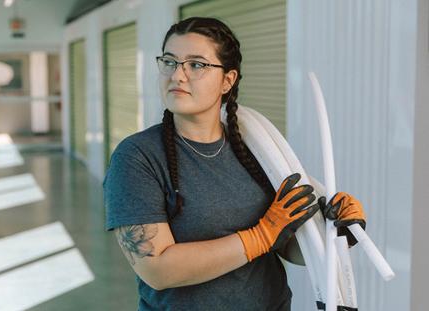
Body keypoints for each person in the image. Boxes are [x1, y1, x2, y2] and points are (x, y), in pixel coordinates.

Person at [103, 17, 366, 311]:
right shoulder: (138, 157)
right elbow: (158, 270)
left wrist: (337, 234)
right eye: (169, 61)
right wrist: (259, 236)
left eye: (196, 64)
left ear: (227, 80)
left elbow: (287, 247)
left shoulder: (255, 150)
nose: (177, 75)